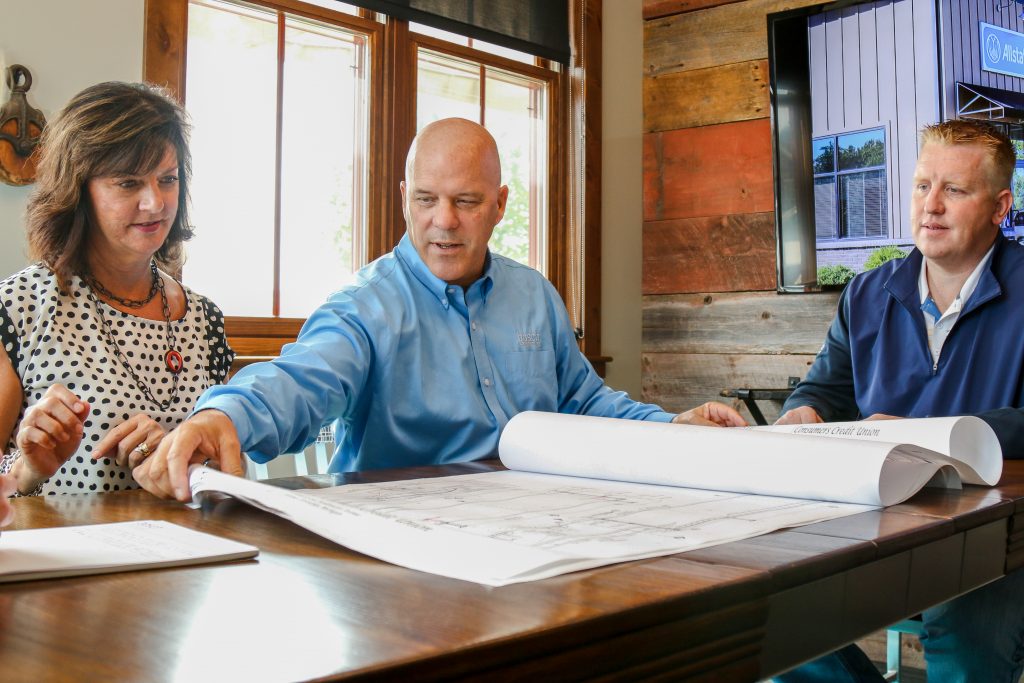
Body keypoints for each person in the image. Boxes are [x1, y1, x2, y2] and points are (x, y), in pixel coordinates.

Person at [133, 117, 745, 501]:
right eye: (426, 200)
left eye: (467, 201)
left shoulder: (536, 296)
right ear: (404, 198)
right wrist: (226, 416)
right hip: (406, 544)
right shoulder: (365, 304)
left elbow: (584, 402)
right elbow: (300, 379)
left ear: (501, 204)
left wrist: (671, 428)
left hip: (540, 524)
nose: (443, 222)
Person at [775, 119, 1024, 682]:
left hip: (1001, 539)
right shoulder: (866, 293)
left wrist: (924, 435)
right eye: (920, 186)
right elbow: (824, 390)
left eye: (954, 190)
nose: (930, 206)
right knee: (771, 616)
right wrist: (803, 413)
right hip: (882, 522)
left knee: (964, 634)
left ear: (999, 206)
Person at [0, 82, 235, 498]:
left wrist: (189, 464)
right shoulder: (19, 307)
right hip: (62, 559)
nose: (155, 203)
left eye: (168, 179)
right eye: (128, 183)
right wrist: (28, 469)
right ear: (79, 191)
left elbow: (230, 479)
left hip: (190, 556)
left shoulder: (204, 320)